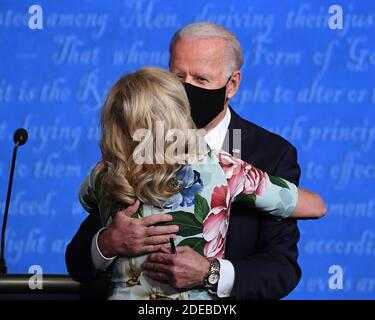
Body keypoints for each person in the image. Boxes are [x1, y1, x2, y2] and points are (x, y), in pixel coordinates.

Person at [66, 22, 322, 299]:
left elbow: (281, 269)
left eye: (201, 79)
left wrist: (211, 272)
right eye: (178, 77)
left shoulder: (271, 154)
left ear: (232, 84)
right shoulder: (132, 148)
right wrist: (107, 243)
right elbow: (78, 261)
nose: (187, 89)